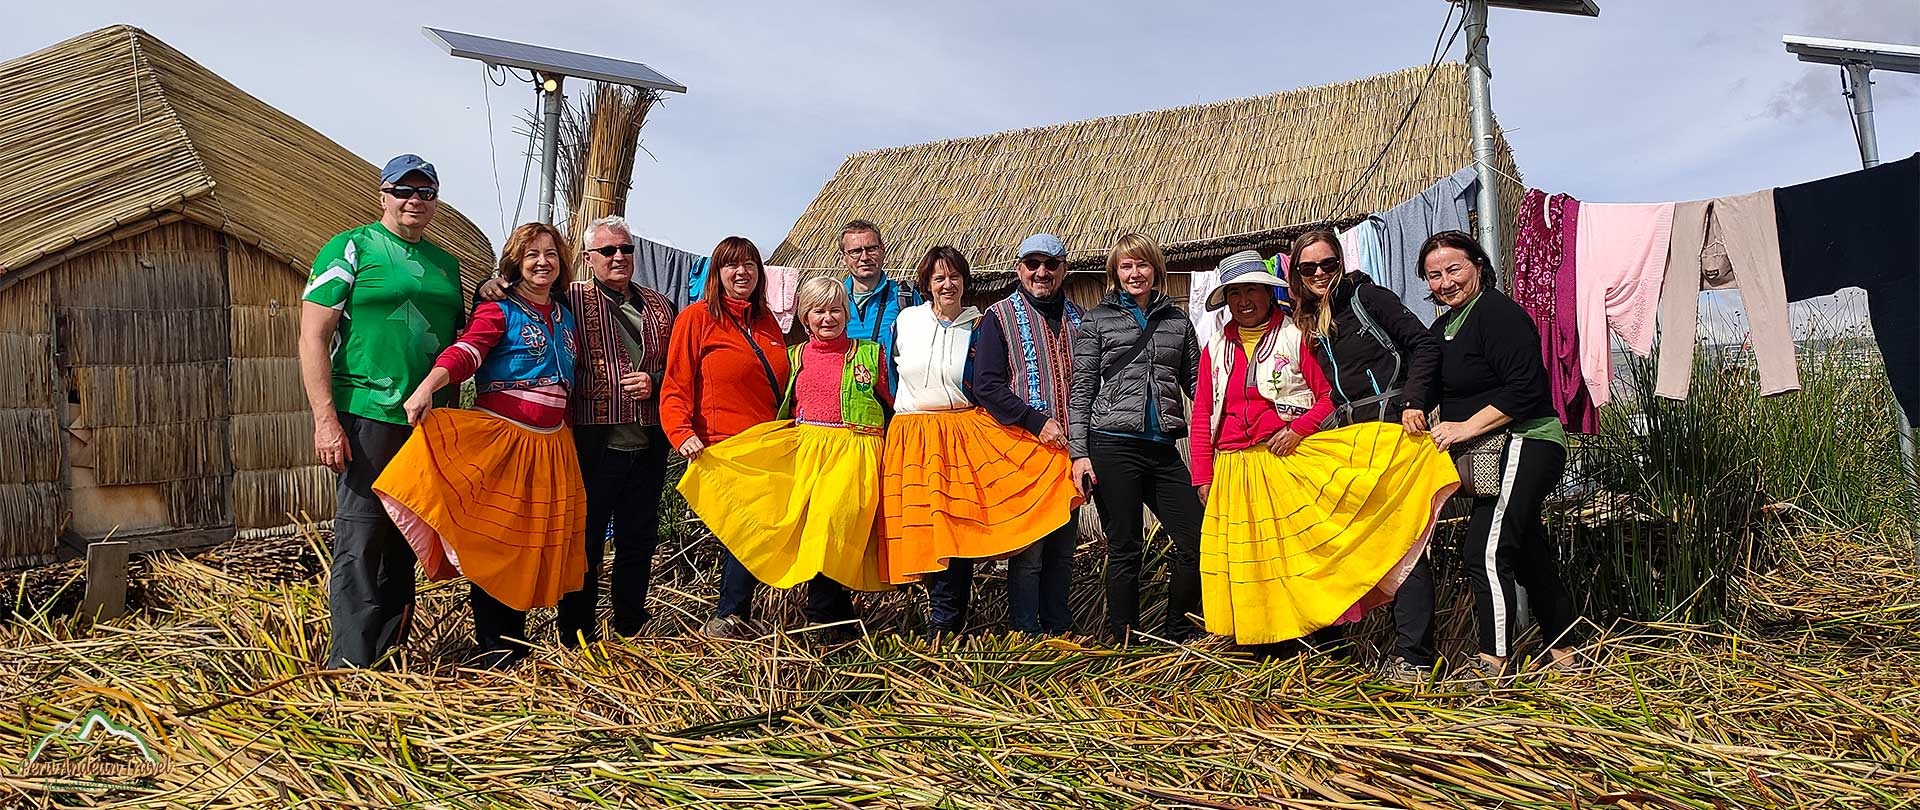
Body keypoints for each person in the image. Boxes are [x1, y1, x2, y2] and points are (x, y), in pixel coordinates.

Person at [1191, 253, 1456, 648]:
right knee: (1254, 565)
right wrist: (1202, 476)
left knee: (1301, 558)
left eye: (1252, 289)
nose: (1245, 299)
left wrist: (1297, 430)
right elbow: (1202, 414)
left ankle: (1319, 642)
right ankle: (1263, 642)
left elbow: (1326, 396)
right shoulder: (1216, 347)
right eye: (1235, 292)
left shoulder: (1295, 336)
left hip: (1283, 461)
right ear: (1226, 299)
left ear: (1268, 293)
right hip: (1233, 469)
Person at [372, 222, 588, 668]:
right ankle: (496, 650)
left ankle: (520, 645)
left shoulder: (565, 314)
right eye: (532, 255)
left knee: (533, 545)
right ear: (515, 262)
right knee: (500, 545)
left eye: (550, 253)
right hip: (505, 445)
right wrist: (428, 387)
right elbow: (468, 351)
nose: (542, 262)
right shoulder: (499, 310)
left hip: (552, 449)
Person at [299, 154, 464, 669]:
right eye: (404, 191)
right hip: (368, 411)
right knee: (363, 535)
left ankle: (390, 661)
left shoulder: (447, 263)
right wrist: (326, 419)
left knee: (405, 537)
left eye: (426, 192)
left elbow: (460, 336)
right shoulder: (352, 246)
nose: (415, 201)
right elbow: (313, 335)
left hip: (427, 420)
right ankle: (349, 664)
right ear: (384, 195)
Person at [678, 276, 893, 638]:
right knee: (768, 520)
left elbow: (895, 403)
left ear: (846, 313)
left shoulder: (870, 354)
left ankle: (821, 617)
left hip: (854, 455)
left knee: (830, 529)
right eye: (818, 311)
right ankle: (755, 615)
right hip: (804, 454)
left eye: (836, 310)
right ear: (805, 317)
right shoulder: (794, 357)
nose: (828, 318)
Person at [881, 246, 1080, 635]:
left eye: (954, 276)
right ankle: (940, 622)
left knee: (958, 527)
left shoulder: (977, 324)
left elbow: (981, 382)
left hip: (960, 432)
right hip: (915, 435)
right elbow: (890, 376)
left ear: (965, 282)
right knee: (926, 529)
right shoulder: (906, 321)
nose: (947, 284)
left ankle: (960, 622)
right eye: (938, 277)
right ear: (927, 283)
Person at [1421, 230, 1581, 681]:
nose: (1445, 282)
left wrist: (1465, 428)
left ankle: (1493, 662)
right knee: (1527, 551)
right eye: (1434, 276)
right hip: (1497, 450)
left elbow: (1526, 389)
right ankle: (1566, 651)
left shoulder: (1496, 313)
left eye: (1454, 269)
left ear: (1477, 265)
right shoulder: (1444, 328)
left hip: (1527, 439)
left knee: (1485, 551)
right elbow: (1429, 382)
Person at [1287, 229, 1445, 682]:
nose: (1319, 273)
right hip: (1345, 444)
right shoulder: (1306, 319)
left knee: (1405, 543)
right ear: (1297, 274)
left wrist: (1415, 400)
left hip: (1394, 430)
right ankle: (1330, 648)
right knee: (1345, 544)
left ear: (1341, 262)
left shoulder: (1368, 297)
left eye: (1327, 264)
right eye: (1308, 268)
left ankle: (1413, 657)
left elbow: (1423, 344)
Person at [1067, 234, 1203, 644]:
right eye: (1126, 266)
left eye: (1142, 265)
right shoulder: (1097, 319)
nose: (1135, 273)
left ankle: (1179, 628)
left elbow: (1197, 381)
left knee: (1195, 540)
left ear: (1155, 270)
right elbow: (1083, 386)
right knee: (1125, 545)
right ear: (1114, 273)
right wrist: (1079, 453)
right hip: (1111, 443)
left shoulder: (1177, 320)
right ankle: (1123, 635)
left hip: (1162, 446)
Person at [556, 216, 677, 643]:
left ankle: (629, 625)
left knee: (638, 538)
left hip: (647, 442)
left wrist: (656, 382)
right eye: (608, 251)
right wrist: (488, 288)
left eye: (626, 249)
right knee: (585, 541)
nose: (619, 257)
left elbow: (677, 369)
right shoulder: (568, 297)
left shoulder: (661, 305)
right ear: (589, 259)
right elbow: (516, 297)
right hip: (594, 441)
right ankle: (575, 633)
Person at [971, 234, 1086, 635]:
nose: (1042, 273)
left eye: (1050, 265)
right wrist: (1036, 422)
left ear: (1063, 270)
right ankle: (1026, 632)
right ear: (1019, 269)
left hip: (1070, 451)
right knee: (1030, 550)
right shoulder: (999, 317)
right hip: (1024, 449)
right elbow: (985, 384)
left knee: (1063, 548)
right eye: (1033, 264)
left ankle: (1059, 627)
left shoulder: (1078, 318)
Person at [836, 219, 923, 365]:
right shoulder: (834, 299)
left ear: (883, 250)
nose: (864, 257)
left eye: (871, 249)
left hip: (893, 387)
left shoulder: (904, 296)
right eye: (855, 251)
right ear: (842, 258)